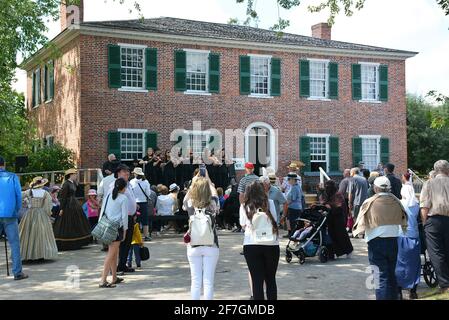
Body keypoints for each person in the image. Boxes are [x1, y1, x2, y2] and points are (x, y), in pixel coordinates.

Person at [353, 176, 408, 300]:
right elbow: (404, 219)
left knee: (379, 276)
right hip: (393, 239)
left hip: (376, 241)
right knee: (391, 274)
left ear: (375, 188)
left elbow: (360, 221)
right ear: (388, 188)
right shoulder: (397, 201)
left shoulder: (369, 202)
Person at [240, 181, 279, 300]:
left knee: (257, 281)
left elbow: (242, 224)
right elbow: (275, 220)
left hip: (251, 244)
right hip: (271, 244)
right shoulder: (270, 203)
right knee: (270, 279)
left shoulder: (244, 206)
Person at [183, 176, 220, 300]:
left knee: (196, 281)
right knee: (208, 282)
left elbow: (185, 198)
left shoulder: (189, 203)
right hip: (211, 244)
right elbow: (214, 190)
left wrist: (193, 183)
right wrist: (208, 180)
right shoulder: (213, 202)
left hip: (194, 244)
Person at [420, 160, 449, 294]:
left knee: (436, 253)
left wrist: (425, 222)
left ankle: (444, 284)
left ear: (435, 170)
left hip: (434, 220)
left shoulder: (429, 184)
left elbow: (425, 206)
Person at [103, 164, 137, 274]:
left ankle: (122, 265)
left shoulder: (129, 185)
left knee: (127, 243)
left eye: (128, 173)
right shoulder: (115, 185)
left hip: (130, 216)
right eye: (124, 173)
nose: (127, 174)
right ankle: (114, 269)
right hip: (121, 218)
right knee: (119, 244)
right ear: (118, 174)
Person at [0, 156, 28, 280]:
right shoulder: (12, 177)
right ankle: (17, 272)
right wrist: (16, 210)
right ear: (4, 164)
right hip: (10, 214)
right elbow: (18, 196)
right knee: (14, 243)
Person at [19, 177, 58, 261]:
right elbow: (48, 205)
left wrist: (27, 204)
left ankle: (29, 254)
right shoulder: (45, 193)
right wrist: (48, 213)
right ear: (41, 184)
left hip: (30, 213)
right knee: (41, 233)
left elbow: (19, 197)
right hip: (41, 214)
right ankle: (41, 254)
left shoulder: (28, 192)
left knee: (28, 233)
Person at [99, 178, 128, 288]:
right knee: (111, 254)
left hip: (107, 226)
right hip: (117, 228)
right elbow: (124, 217)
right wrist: (125, 230)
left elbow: (103, 212)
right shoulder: (123, 198)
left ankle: (114, 277)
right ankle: (103, 280)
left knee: (114, 253)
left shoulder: (107, 197)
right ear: (123, 188)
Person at [53, 169, 92, 250]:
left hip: (74, 203)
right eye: (74, 174)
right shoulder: (66, 184)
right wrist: (62, 208)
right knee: (67, 222)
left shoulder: (73, 183)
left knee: (77, 222)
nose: (76, 176)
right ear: (70, 175)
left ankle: (78, 242)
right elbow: (63, 197)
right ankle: (67, 243)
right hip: (68, 205)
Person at [396, 172, 421, 299]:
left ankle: (399, 290)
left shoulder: (399, 204)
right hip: (414, 236)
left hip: (401, 235)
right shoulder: (416, 205)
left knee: (400, 262)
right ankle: (413, 290)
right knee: (414, 263)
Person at [320, 180, 353, 258]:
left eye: (329, 186)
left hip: (338, 219)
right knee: (332, 235)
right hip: (330, 218)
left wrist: (330, 206)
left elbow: (339, 206)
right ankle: (334, 252)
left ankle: (348, 251)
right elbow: (323, 201)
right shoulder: (326, 194)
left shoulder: (338, 194)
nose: (327, 188)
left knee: (341, 235)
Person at [130, 167, 151, 240]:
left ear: (135, 174)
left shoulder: (131, 182)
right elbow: (148, 193)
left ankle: (136, 235)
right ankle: (146, 236)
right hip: (143, 202)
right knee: (145, 220)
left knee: (135, 220)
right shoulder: (146, 182)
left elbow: (130, 193)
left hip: (134, 203)